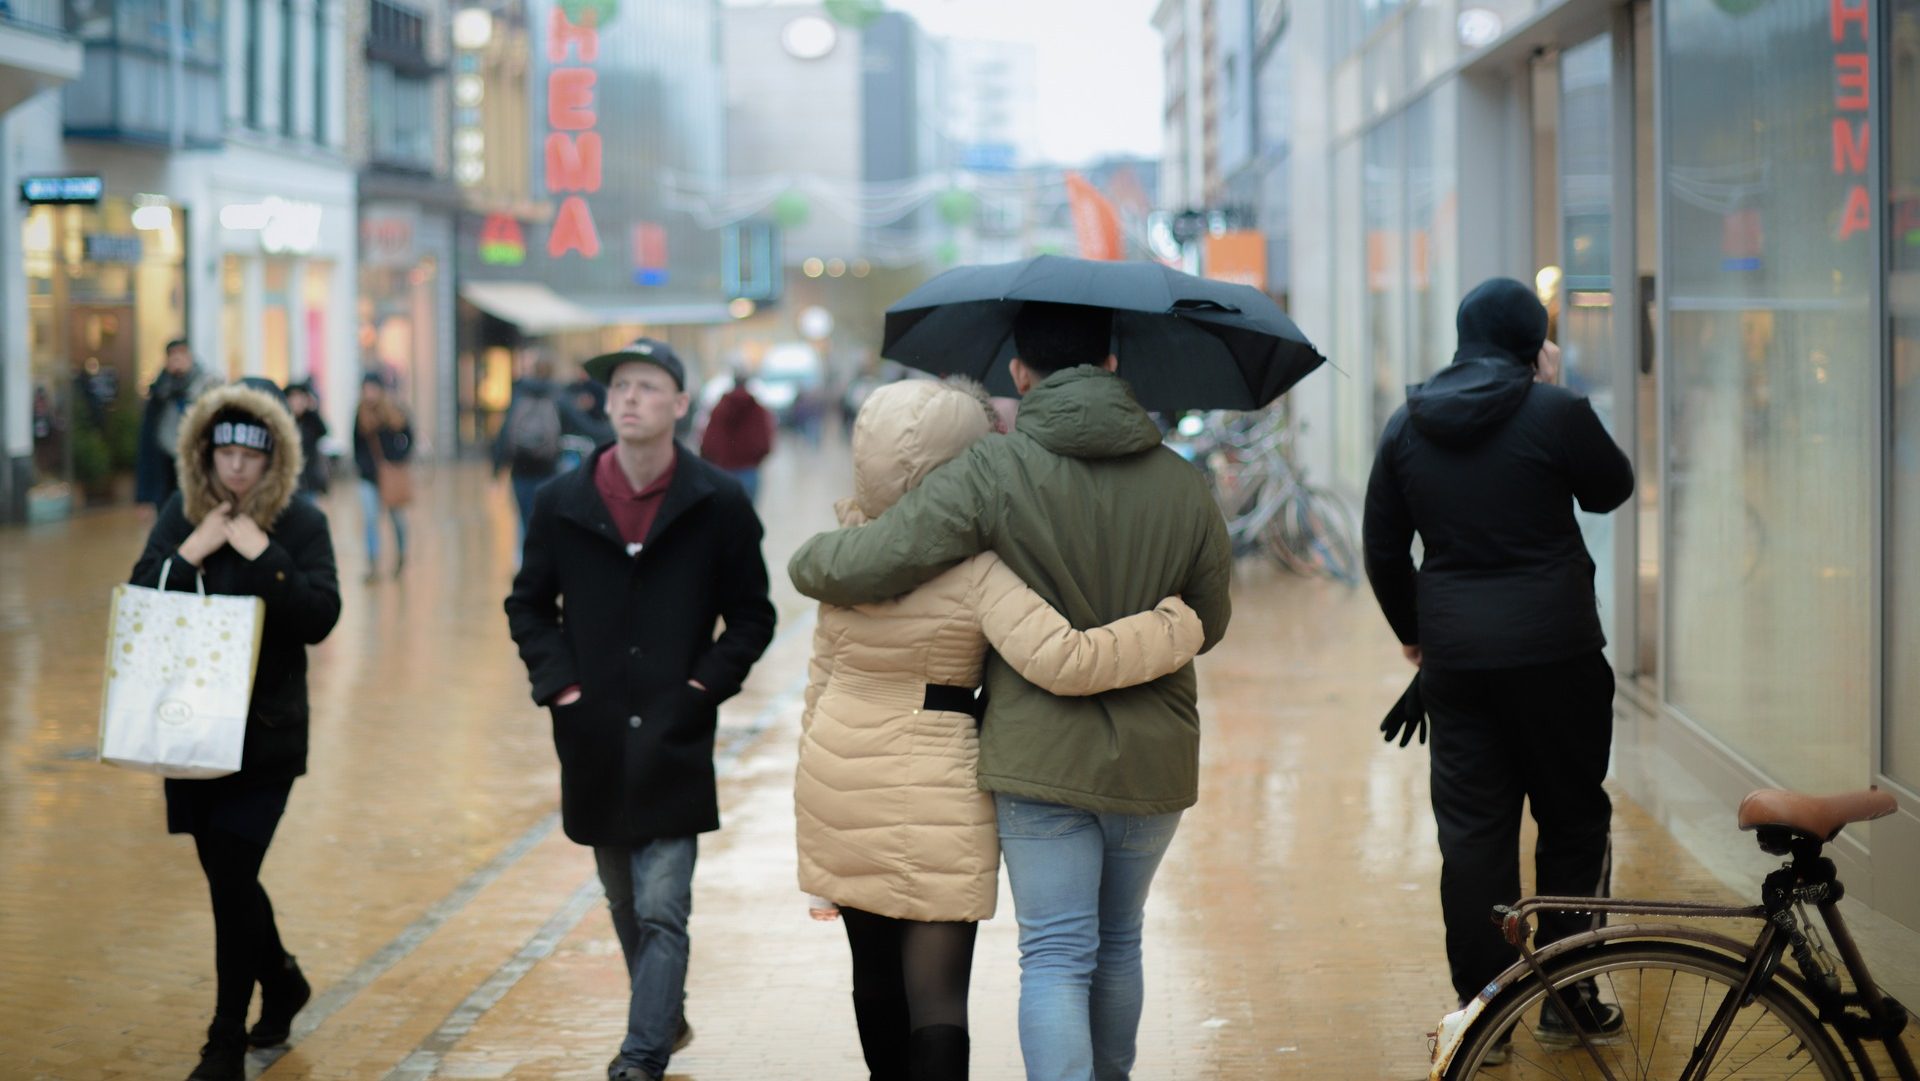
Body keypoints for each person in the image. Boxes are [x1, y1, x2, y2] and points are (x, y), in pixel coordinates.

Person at [789, 301, 1233, 1081]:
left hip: (1038, 755)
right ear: (1113, 365)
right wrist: (1171, 626)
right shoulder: (1184, 482)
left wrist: (812, 559)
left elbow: (885, 556)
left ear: (1020, 374)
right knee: (1120, 939)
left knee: (1057, 953)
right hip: (1156, 751)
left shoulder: (993, 470)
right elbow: (1212, 617)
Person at [1361, 277, 1635, 1051]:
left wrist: (1417, 632)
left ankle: (1487, 1008)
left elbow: (1382, 547)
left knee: (1475, 836)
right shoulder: (1556, 411)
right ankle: (1570, 993)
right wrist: (1550, 391)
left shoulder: (1407, 424)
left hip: (1460, 663)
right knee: (1573, 819)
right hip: (1559, 654)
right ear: (1534, 342)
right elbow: (1611, 488)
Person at [504, 338, 776, 1081]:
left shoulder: (717, 501)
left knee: (662, 905)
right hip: (591, 735)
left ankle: (641, 1055)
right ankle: (665, 1014)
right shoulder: (565, 501)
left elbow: (753, 616)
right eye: (620, 386)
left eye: (647, 387)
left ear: (680, 404)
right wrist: (562, 689)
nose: (629, 398)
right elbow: (529, 605)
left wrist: (699, 690)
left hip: (674, 732)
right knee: (623, 897)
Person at [128, 382, 341, 1081]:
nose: (237, 469)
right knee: (229, 875)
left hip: (266, 733)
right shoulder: (182, 513)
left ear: (274, 457)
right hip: (190, 734)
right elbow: (142, 594)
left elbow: (319, 615)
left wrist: (261, 553)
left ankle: (224, 1039)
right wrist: (191, 549)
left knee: (230, 866)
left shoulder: (302, 523)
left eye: (251, 456)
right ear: (204, 453)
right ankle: (281, 978)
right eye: (224, 452)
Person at [136, 339, 222, 511]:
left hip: (198, 463)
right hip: (167, 467)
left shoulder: (207, 385)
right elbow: (147, 442)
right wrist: (143, 496)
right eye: (173, 355)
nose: (177, 360)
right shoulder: (160, 390)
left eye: (181, 354)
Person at [494, 357, 570, 544]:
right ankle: (548, 563)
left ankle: (527, 564)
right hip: (548, 468)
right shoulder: (558, 395)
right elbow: (577, 427)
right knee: (547, 519)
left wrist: (497, 469)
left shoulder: (519, 394)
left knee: (524, 520)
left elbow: (504, 434)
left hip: (521, 469)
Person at [352, 372, 414, 582]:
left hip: (391, 475)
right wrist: (364, 466)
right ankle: (372, 564)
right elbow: (356, 445)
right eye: (366, 388)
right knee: (370, 520)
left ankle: (401, 557)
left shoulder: (394, 411)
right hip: (369, 477)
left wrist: (399, 456)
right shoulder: (360, 414)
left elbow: (409, 435)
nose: (369, 393)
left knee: (397, 519)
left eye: (372, 388)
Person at [697, 370, 775, 501]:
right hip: (749, 471)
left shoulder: (719, 409)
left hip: (723, 471)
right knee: (748, 517)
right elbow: (765, 443)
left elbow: (708, 442)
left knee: (726, 518)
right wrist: (754, 460)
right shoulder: (757, 410)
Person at [284, 381, 329, 496]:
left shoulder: (311, 420)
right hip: (288, 482)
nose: (297, 402)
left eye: (300, 398)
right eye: (293, 398)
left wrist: (313, 410)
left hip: (309, 480)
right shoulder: (283, 422)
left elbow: (324, 431)